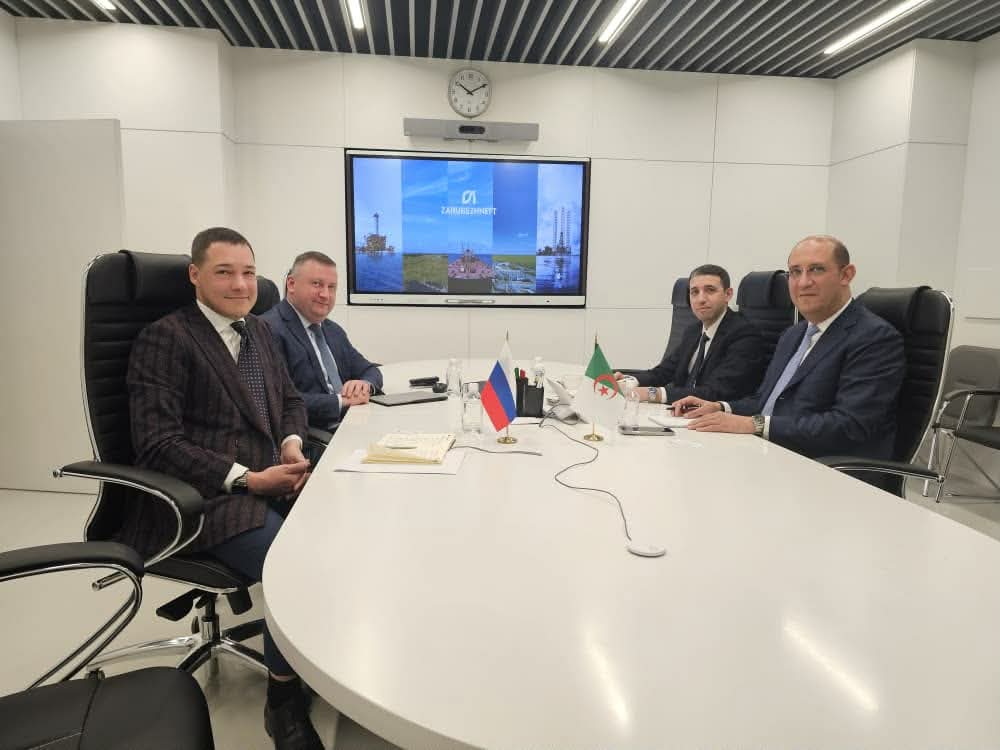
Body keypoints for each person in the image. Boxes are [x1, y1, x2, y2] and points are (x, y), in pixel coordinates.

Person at [124, 227, 322, 750]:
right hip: (202, 498)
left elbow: (290, 402)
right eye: (224, 272)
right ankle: (283, 699)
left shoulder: (258, 331)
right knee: (291, 564)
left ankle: (322, 655)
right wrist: (247, 478)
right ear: (195, 275)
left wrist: (291, 443)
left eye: (248, 272)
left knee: (345, 526)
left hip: (271, 477)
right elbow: (157, 444)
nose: (240, 284)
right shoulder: (166, 338)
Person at [674, 235, 905, 464]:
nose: (803, 282)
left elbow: (849, 425)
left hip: (823, 467)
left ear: (846, 275)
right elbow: (765, 401)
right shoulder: (793, 335)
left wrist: (754, 424)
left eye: (816, 270)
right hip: (769, 452)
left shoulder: (874, 337)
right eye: (795, 272)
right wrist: (720, 407)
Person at [261, 251, 383, 434]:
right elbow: (279, 400)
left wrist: (365, 384)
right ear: (291, 284)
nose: (325, 294)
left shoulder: (332, 329)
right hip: (314, 435)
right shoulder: (268, 330)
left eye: (331, 287)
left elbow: (369, 369)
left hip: (353, 422)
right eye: (317, 284)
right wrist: (341, 401)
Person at [616, 264, 765, 404]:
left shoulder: (744, 335)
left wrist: (653, 393)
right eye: (694, 292)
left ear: (728, 294)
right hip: (679, 411)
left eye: (710, 290)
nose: (701, 299)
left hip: (715, 417)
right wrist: (628, 381)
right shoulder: (693, 331)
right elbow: (663, 372)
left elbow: (717, 391)